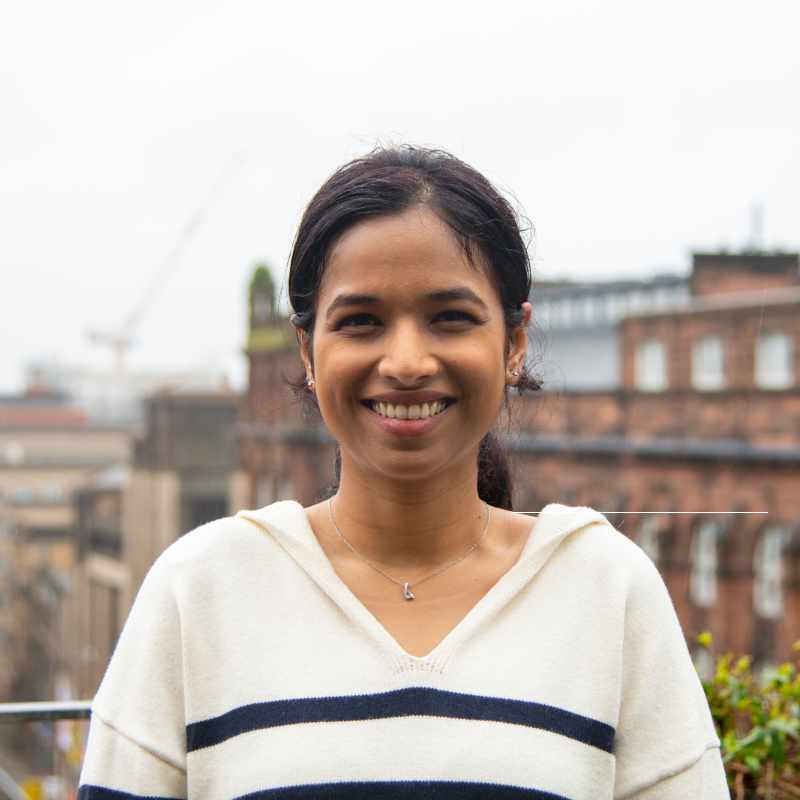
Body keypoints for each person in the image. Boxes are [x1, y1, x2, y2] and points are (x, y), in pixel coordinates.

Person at [78, 146, 728, 799]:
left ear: (514, 342)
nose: (407, 362)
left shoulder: (608, 589)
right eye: (361, 321)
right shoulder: (198, 592)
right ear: (308, 351)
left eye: (451, 318)